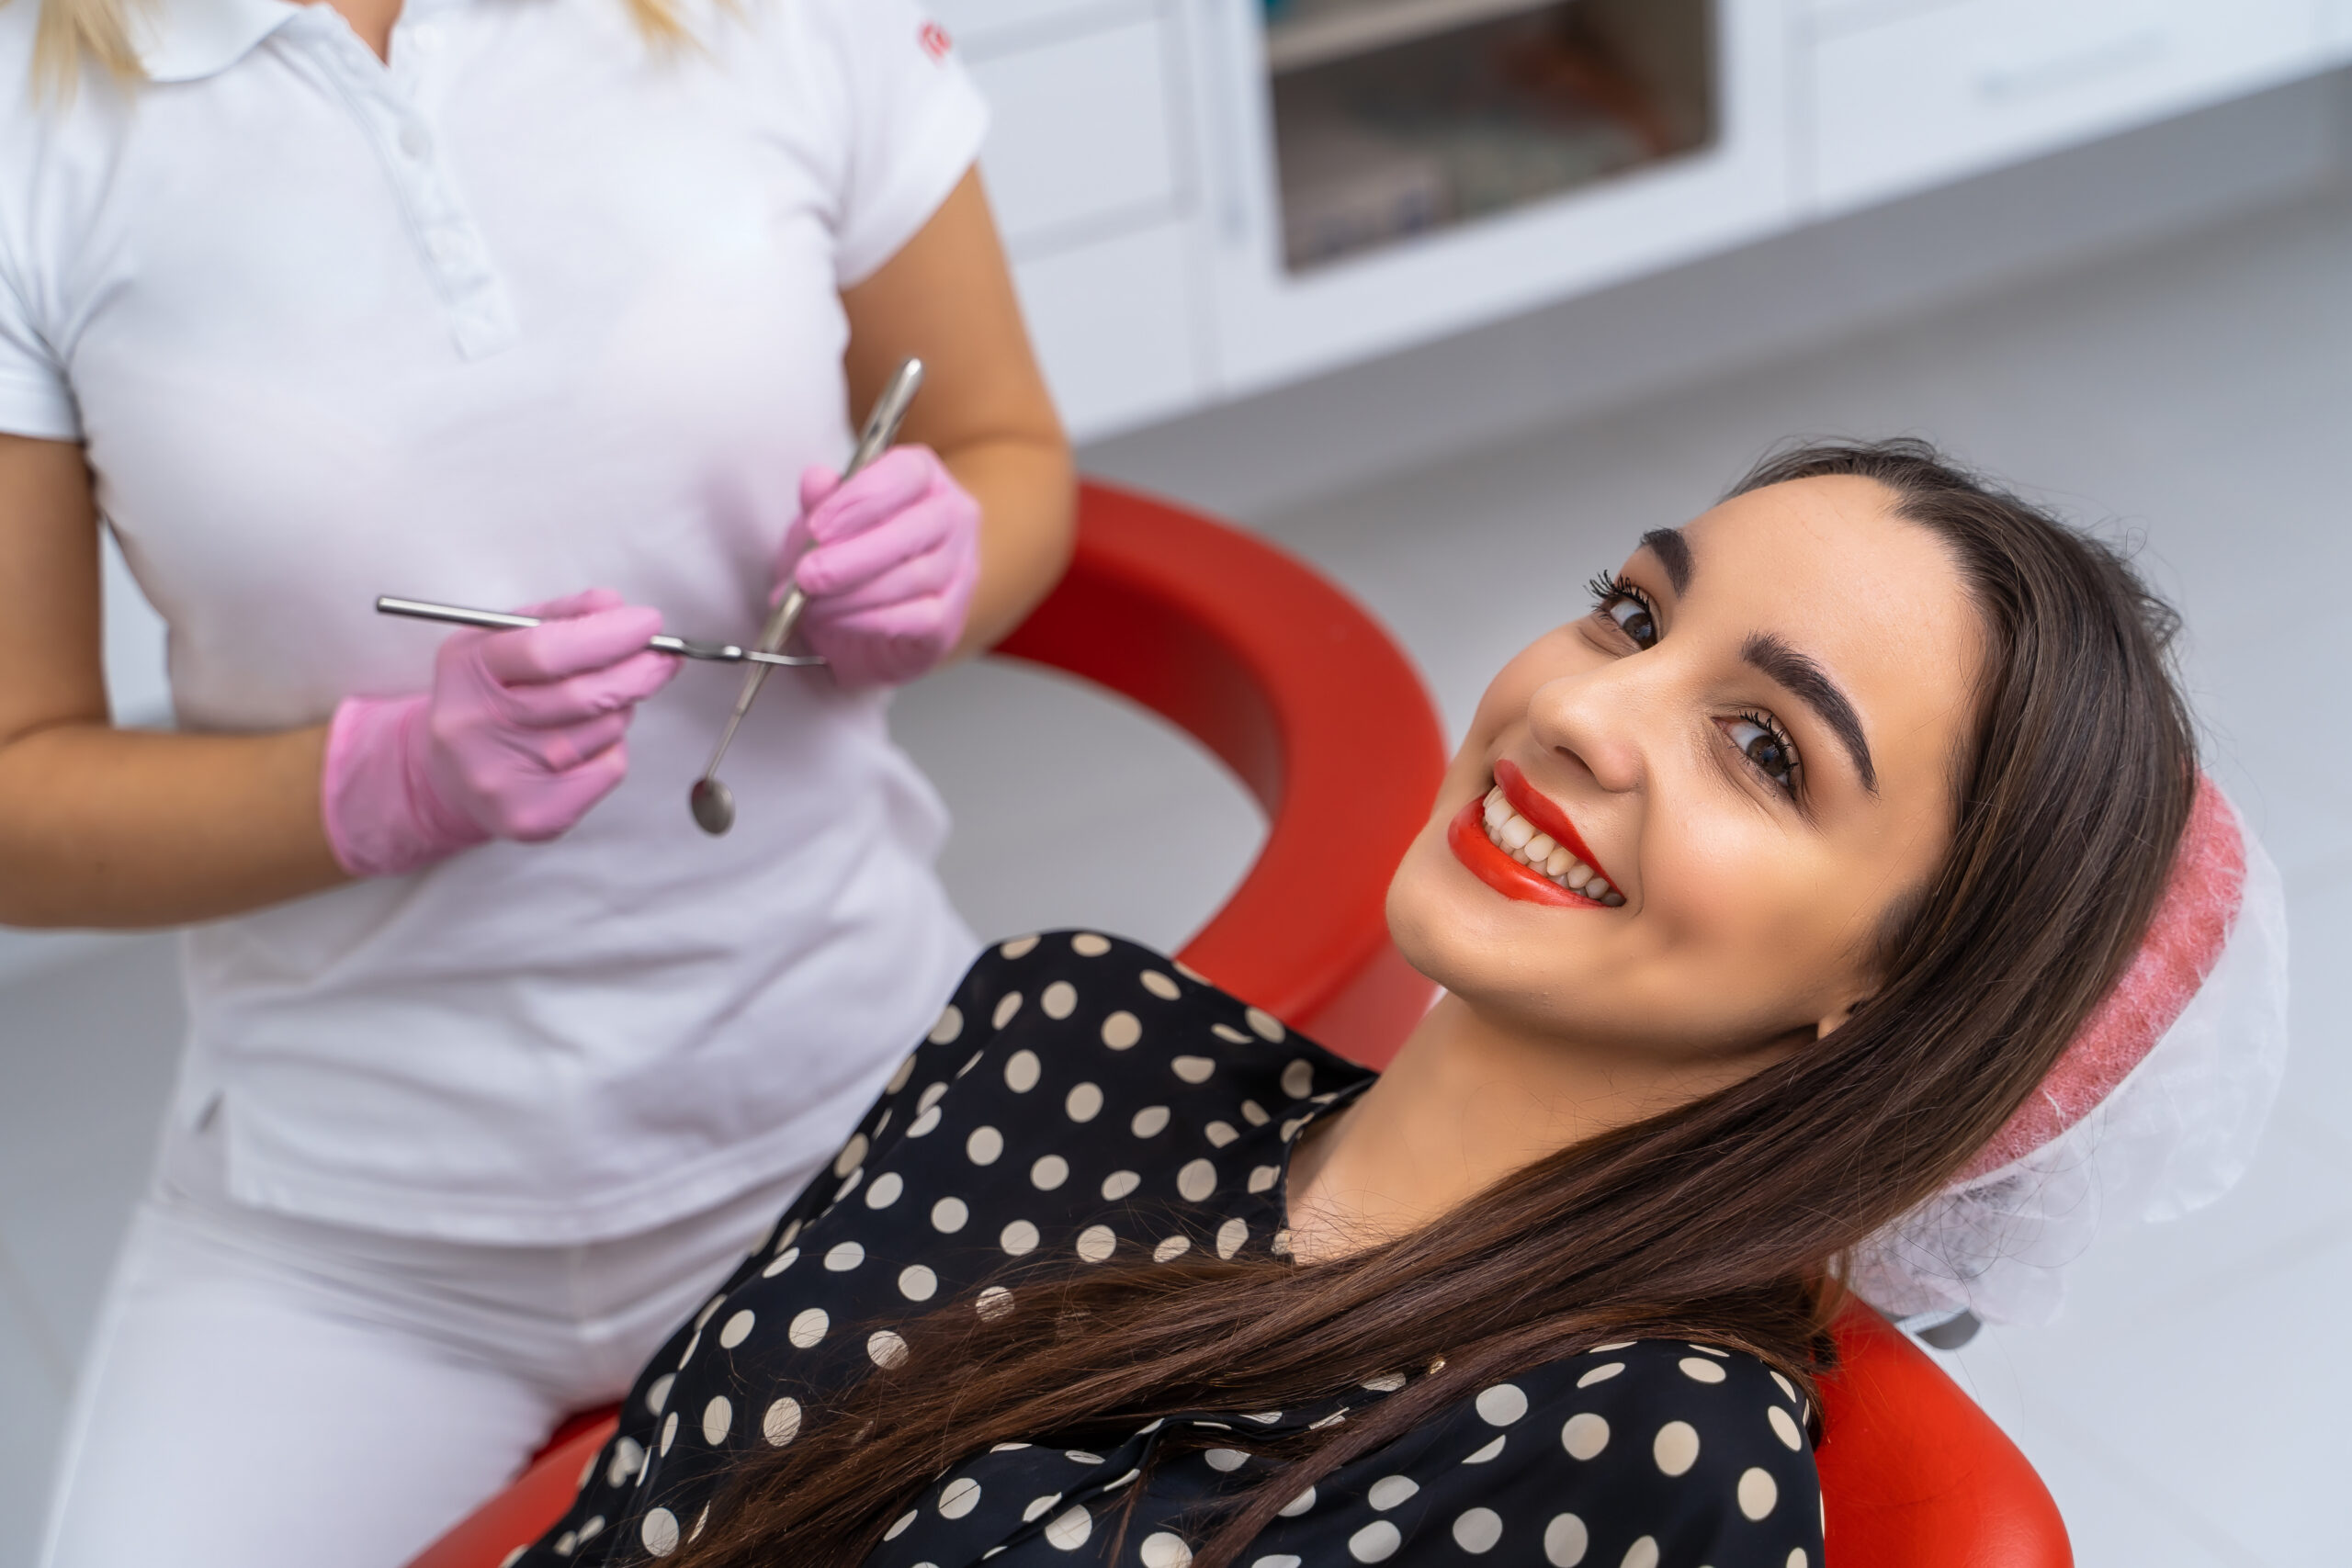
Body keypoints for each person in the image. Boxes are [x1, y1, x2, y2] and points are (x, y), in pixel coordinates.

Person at [503, 441, 2284, 1568]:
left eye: (1761, 748)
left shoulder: (1642, 1462)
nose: (1585, 709)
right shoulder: (1067, 1026)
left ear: (1885, 992)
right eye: (1628, 611)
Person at [0, 0, 1072, 1558]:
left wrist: (944, 571)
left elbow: (1006, 444)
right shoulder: (34, 125)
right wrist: (374, 786)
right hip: (348, 1232)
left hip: (862, 1119)